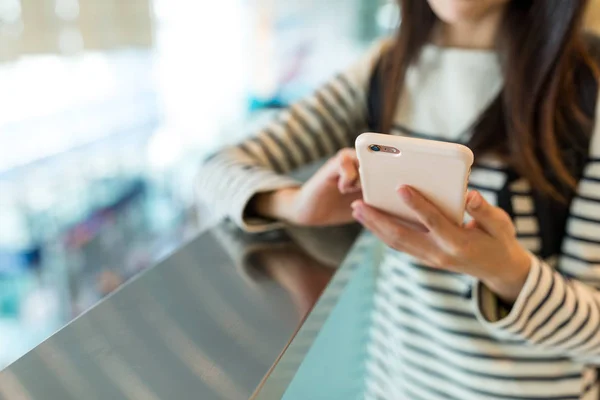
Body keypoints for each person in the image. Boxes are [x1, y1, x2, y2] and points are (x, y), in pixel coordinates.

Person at [198, 0, 600, 398]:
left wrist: (509, 274)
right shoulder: (385, 68)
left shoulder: (588, 88)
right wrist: (293, 204)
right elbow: (216, 170)